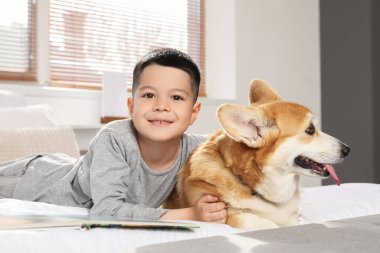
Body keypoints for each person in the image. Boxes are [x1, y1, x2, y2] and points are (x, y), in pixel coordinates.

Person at [0, 48, 227, 223]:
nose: (161, 106)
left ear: (194, 112)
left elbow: (237, 147)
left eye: (176, 98)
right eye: (149, 95)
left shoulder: (197, 148)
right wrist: (190, 214)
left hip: (67, 165)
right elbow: (107, 211)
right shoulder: (115, 137)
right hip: (36, 181)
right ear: (131, 106)